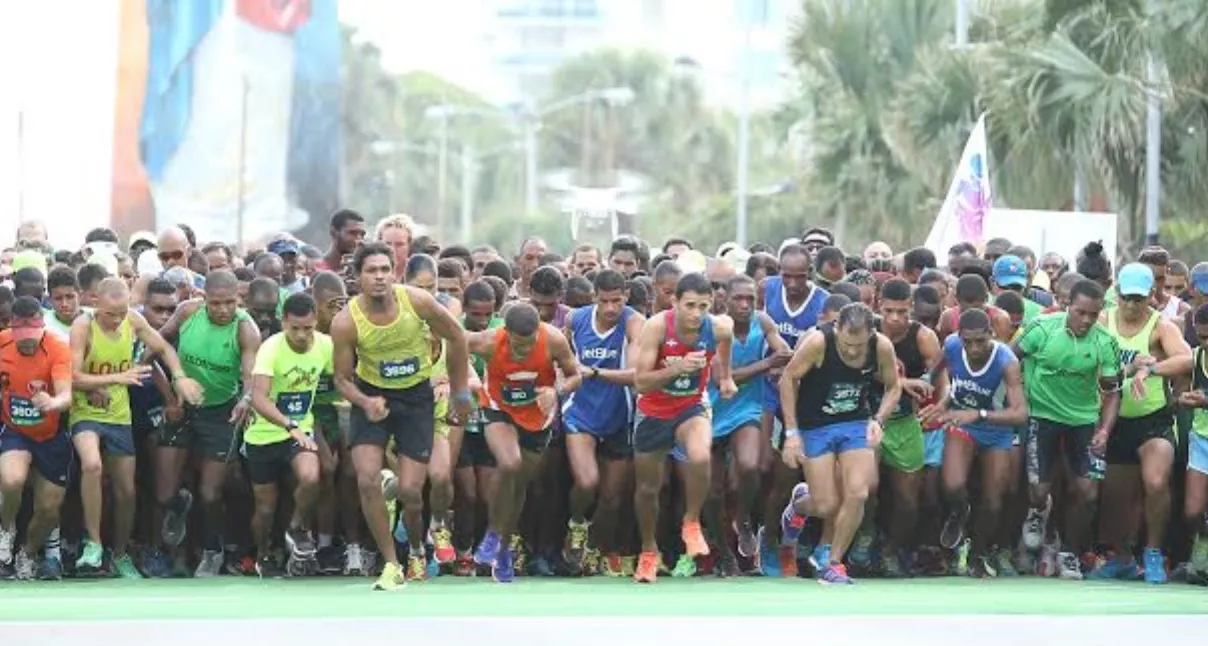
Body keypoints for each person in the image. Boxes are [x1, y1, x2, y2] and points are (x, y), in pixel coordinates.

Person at [330, 242, 471, 590]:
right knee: (366, 478)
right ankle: (392, 563)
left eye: (384, 270)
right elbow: (342, 379)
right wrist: (364, 401)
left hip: (415, 400)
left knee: (410, 490)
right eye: (371, 271)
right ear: (357, 277)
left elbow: (457, 335)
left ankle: (424, 541)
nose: (379, 277)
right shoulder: (346, 322)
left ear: (394, 272)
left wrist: (461, 392)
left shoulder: (418, 302)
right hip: (373, 398)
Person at [69, 278, 203, 577]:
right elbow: (72, 376)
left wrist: (179, 376)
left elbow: (164, 348)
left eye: (122, 312)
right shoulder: (83, 325)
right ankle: (93, 544)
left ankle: (119, 553)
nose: (117, 320)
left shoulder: (133, 319)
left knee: (126, 491)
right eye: (110, 314)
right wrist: (117, 378)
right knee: (92, 465)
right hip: (86, 412)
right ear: (96, 305)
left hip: (119, 414)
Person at [780, 302, 901, 584]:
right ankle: (798, 506)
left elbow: (894, 386)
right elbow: (788, 378)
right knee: (825, 506)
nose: (852, 351)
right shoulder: (818, 342)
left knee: (859, 492)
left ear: (871, 334)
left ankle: (833, 563)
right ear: (837, 330)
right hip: (815, 426)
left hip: (855, 423)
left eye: (859, 345)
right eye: (847, 344)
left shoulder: (880, 346)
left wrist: (879, 420)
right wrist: (791, 433)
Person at [1011, 278, 1121, 580]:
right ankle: (1036, 513)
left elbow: (1112, 392)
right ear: (1066, 306)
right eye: (1080, 312)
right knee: (1039, 492)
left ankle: (1069, 553)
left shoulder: (1105, 342)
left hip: (1083, 421)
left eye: (1093, 314)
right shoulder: (1042, 329)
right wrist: (1017, 399)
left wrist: (1105, 430)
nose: (1086, 320)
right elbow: (1008, 361)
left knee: (1087, 493)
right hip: (1041, 416)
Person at [631, 272, 737, 583]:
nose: (696, 314)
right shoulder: (657, 327)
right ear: (674, 301)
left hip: (691, 406)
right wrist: (677, 367)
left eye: (704, 306)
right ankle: (648, 551)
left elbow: (727, 339)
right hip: (653, 411)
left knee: (701, 457)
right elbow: (640, 383)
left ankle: (691, 522)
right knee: (649, 490)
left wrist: (726, 375)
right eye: (689, 305)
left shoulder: (717, 326)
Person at [156, 269, 262, 577]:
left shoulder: (245, 329)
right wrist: (170, 397)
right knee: (164, 494)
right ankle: (179, 505)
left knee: (210, 492)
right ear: (203, 300)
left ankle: (212, 550)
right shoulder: (186, 312)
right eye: (216, 303)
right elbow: (151, 353)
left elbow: (250, 376)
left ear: (238, 300)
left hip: (221, 412)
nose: (223, 310)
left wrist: (245, 400)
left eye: (229, 302)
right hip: (182, 407)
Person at [465, 302, 580, 582]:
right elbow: (454, 346)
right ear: (505, 332)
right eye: (517, 345)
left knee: (518, 485)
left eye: (528, 345)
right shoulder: (488, 341)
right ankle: (493, 534)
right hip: (498, 407)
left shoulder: (553, 339)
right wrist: (464, 382)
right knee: (509, 463)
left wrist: (556, 390)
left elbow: (575, 374)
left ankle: (503, 549)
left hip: (537, 417)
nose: (523, 351)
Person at [1093, 263, 1189, 583]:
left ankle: (1153, 553)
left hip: (1153, 419)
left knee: (1156, 482)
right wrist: (1129, 370)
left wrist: (1152, 369)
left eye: (1139, 299)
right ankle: (1121, 557)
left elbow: (1187, 357)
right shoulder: (1104, 320)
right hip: (1114, 418)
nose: (1132, 306)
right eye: (1126, 298)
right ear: (1116, 294)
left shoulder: (1161, 326)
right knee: (1115, 496)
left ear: (1151, 295)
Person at [923, 308, 1028, 577]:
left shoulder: (1006, 360)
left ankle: (978, 554)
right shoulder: (951, 346)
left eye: (980, 340)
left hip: (995, 428)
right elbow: (934, 373)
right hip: (962, 422)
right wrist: (940, 400)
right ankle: (960, 512)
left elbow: (1020, 413)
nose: (974, 348)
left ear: (991, 335)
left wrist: (979, 413)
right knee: (952, 484)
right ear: (959, 337)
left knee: (994, 500)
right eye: (967, 341)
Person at [853, 278, 942, 576]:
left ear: (911, 309)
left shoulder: (923, 336)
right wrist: (903, 383)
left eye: (902, 312)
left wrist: (939, 404)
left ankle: (890, 551)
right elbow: (856, 368)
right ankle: (864, 536)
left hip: (905, 422)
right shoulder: (866, 331)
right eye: (889, 310)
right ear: (878, 305)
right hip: (868, 419)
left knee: (908, 501)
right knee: (868, 487)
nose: (895, 318)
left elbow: (942, 375)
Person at [700, 274, 791, 562]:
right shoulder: (713, 326)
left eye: (750, 299)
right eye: (738, 298)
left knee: (750, 466)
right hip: (712, 409)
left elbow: (784, 352)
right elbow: (721, 377)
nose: (744, 304)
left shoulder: (762, 321)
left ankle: (744, 520)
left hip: (747, 407)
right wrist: (766, 364)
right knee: (712, 492)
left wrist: (781, 363)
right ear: (724, 299)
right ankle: (723, 551)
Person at [561, 269, 644, 574]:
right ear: (594, 297)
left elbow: (636, 374)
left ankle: (593, 549)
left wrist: (594, 372)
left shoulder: (635, 322)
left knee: (611, 497)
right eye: (605, 301)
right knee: (587, 481)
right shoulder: (575, 319)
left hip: (619, 415)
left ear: (626, 297)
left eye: (617, 301)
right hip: (580, 411)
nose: (611, 308)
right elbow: (559, 359)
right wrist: (564, 379)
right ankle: (577, 523)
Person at [245, 293, 332, 577]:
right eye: (295, 328)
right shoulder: (270, 348)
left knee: (311, 477)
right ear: (284, 323)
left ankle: (296, 529)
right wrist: (288, 425)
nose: (301, 335)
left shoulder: (325, 345)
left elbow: (341, 378)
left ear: (315, 323)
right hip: (263, 436)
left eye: (307, 328)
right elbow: (258, 397)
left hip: (301, 430)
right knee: (265, 508)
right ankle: (262, 554)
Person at [0, 298, 73, 579]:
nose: (27, 343)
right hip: (15, 431)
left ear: (42, 328)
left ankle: (27, 554)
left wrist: (53, 403)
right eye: (22, 338)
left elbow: (66, 393)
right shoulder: (3, 344)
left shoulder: (57, 348)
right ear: (12, 329)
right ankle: (6, 531)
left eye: (32, 337)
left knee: (48, 510)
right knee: (11, 479)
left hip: (51, 435)